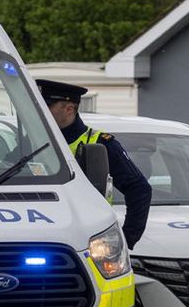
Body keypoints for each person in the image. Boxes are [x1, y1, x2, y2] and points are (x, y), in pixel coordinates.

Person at [35, 78, 151, 248]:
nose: (40, 111)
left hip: (88, 240)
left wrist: (126, 240)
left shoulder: (101, 143)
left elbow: (139, 189)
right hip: (43, 235)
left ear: (69, 109)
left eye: (48, 107)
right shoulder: (33, 141)